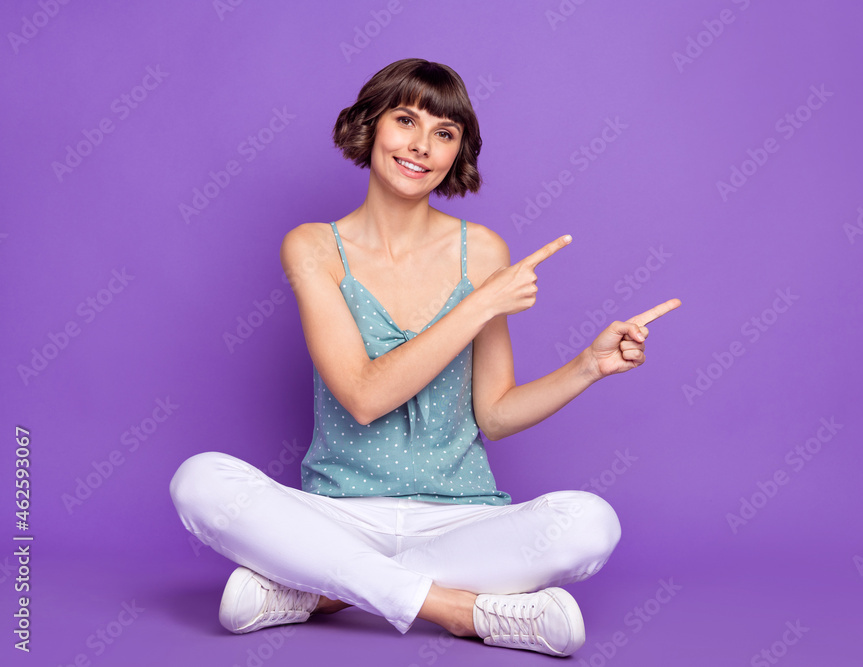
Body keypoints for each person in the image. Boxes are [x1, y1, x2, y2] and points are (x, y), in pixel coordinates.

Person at [168, 58, 680, 658]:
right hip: (336, 514)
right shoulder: (313, 247)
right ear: (370, 126)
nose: (420, 146)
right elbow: (362, 396)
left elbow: (493, 414)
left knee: (591, 522)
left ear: (458, 151)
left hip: (459, 523)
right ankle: (458, 609)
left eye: (444, 132)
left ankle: (324, 590)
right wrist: (477, 306)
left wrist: (587, 367)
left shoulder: (483, 251)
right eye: (406, 120)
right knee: (199, 481)